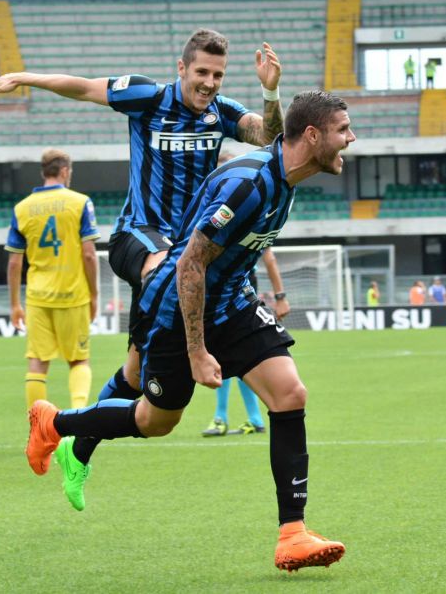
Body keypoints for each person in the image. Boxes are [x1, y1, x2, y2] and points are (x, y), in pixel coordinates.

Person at [25, 90, 354, 571]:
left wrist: (270, 93)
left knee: (290, 394)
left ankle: (293, 534)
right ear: (312, 135)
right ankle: (56, 423)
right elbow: (191, 265)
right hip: (177, 307)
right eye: (343, 129)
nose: (351, 138)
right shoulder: (248, 185)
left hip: (230, 302)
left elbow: (271, 137)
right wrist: (197, 350)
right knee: (154, 421)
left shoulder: (285, 178)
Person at [0, 29, 285, 508]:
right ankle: (177, 355)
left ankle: (75, 446)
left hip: (184, 253)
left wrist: (270, 90)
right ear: (182, 68)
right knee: (171, 273)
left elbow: (271, 137)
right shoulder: (147, 96)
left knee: (134, 374)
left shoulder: (223, 112)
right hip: (139, 239)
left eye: (218, 75)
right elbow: (83, 87)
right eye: (202, 73)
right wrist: (25, 78)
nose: (209, 83)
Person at [6, 148, 99, 411]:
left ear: (43, 171)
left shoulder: (22, 208)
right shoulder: (80, 202)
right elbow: (89, 254)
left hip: (38, 297)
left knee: (37, 362)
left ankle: (37, 429)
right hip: (73, 295)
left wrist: (14, 304)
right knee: (79, 361)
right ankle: (78, 420)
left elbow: (14, 262)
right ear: (65, 170)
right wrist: (94, 294)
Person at [202, 247, 289, 437]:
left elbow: (270, 258)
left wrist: (280, 296)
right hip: (239, 283)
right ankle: (253, 418)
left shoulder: (235, 221)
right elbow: (269, 257)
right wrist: (280, 296)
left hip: (231, 285)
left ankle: (222, 418)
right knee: (238, 351)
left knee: (222, 349)